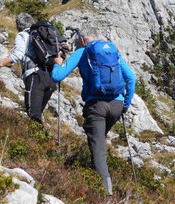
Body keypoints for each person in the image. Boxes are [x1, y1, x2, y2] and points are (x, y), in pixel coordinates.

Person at [52, 26, 136, 196]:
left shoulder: (82, 52)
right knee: (98, 141)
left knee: (98, 148)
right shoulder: (113, 52)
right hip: (116, 105)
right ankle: (96, 177)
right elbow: (131, 78)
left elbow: (58, 76)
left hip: (96, 105)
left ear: (83, 40)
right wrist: (125, 105)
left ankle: (106, 194)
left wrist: (57, 64)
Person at [0, 13, 59, 124]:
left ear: (18, 26)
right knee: (37, 114)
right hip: (51, 79)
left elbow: (17, 55)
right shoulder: (42, 35)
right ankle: (42, 140)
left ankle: (35, 140)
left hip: (35, 77)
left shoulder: (23, 35)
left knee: (33, 116)